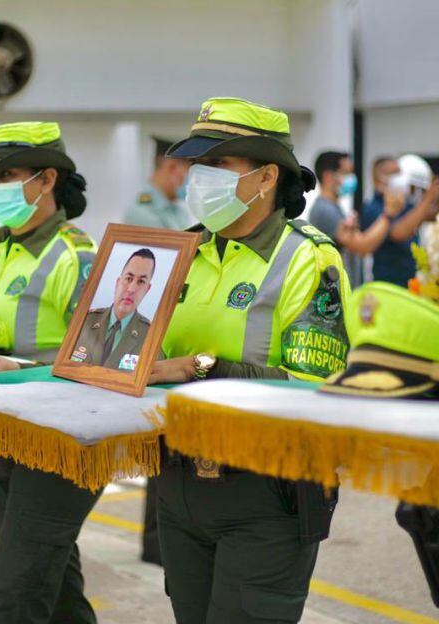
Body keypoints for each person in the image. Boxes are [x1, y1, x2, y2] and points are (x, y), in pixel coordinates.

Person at [148, 97, 357, 624]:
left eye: (218, 164)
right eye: (198, 165)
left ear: (266, 177)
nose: (200, 177)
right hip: (178, 484)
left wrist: (203, 370)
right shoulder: (182, 251)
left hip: (266, 493)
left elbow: (317, 387)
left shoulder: (309, 258)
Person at [0, 121, 103, 624]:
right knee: (54, 589)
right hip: (1, 438)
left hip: (60, 443)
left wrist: (22, 369)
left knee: (13, 599)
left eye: (7, 174)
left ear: (47, 180)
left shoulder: (76, 257)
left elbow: (101, 357)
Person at [308, 150, 401, 288]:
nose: (351, 179)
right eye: (346, 174)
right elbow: (362, 246)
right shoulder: (324, 210)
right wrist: (388, 214)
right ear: (328, 177)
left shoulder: (335, 208)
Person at [361, 154, 439, 286]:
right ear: (378, 179)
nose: (400, 177)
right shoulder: (372, 208)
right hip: (388, 285)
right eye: (394, 173)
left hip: (410, 283)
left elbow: (427, 216)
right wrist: (428, 199)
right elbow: (398, 232)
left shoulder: (403, 205)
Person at [70, 248, 155, 369]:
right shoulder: (85, 321)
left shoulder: (151, 336)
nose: (131, 289)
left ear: (147, 289)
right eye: (129, 278)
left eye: (141, 282)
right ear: (118, 282)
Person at [123, 137, 193, 230]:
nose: (192, 179)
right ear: (171, 167)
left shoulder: (178, 211)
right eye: (189, 171)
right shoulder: (142, 213)